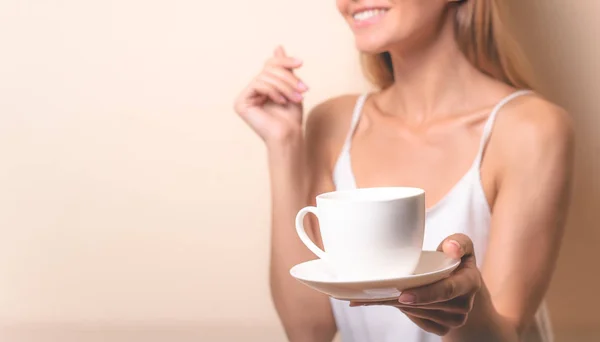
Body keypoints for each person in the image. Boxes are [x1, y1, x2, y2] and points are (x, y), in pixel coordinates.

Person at [234, 0, 574, 341]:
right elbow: (308, 331)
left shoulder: (531, 129)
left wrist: (467, 303)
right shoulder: (332, 123)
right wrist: (284, 146)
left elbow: (505, 335)